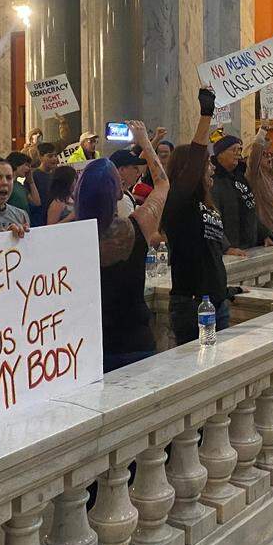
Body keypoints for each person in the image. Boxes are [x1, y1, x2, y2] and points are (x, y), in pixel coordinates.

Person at [76, 122, 169, 371]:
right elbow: (162, 184)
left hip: (88, 344)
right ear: (118, 192)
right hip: (134, 339)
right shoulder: (136, 227)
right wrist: (146, 142)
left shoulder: (69, 238)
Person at [163, 89, 246, 345]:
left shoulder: (205, 203)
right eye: (206, 164)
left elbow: (209, 252)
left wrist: (224, 290)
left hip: (215, 301)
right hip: (192, 305)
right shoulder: (179, 199)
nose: (211, 168)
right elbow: (198, 155)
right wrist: (205, 115)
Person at [210, 134, 268, 249]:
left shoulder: (240, 177)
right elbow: (212, 218)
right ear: (220, 154)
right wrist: (226, 247)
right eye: (233, 150)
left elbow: (250, 208)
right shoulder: (213, 181)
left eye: (239, 149)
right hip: (230, 247)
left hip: (249, 245)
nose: (238, 153)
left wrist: (265, 235)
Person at [29, 142, 61, 227]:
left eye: (55, 155)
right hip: (40, 219)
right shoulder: (34, 175)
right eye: (50, 156)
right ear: (40, 157)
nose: (54, 159)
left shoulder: (57, 173)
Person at [109, 147, 145, 218]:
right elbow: (130, 227)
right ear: (122, 170)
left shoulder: (119, 191)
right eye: (135, 168)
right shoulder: (122, 199)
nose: (138, 172)